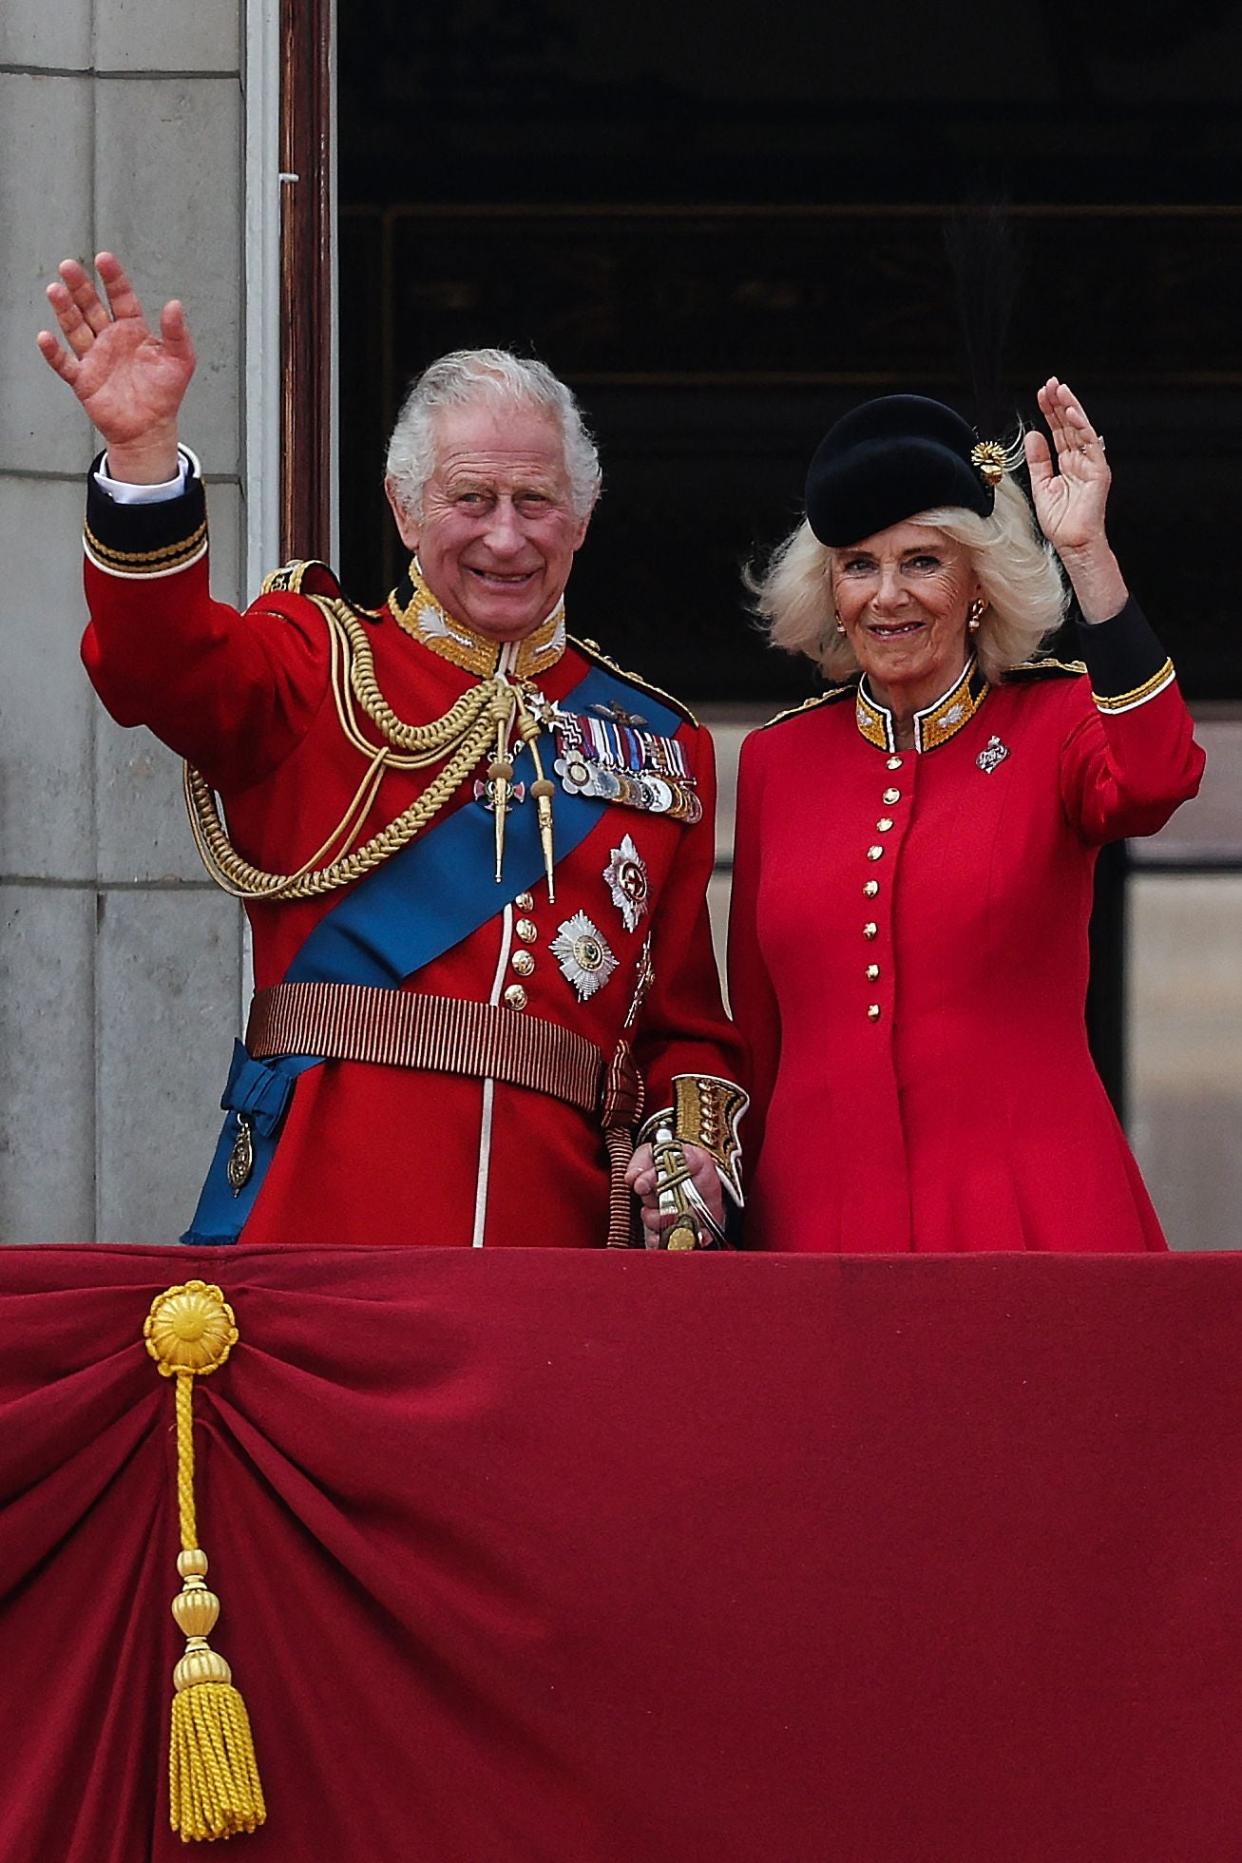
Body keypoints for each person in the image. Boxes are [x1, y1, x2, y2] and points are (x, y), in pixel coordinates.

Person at [38, 252, 747, 1249]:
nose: (506, 537)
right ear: (404, 507)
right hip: (329, 1225)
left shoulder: (660, 744)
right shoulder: (316, 664)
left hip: (559, 1247)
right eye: (471, 500)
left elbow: (684, 1032)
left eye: (535, 502)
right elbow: (158, 666)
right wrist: (145, 458)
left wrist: (688, 1154)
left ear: (582, 518)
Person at [728, 381, 1204, 1253]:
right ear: (829, 589)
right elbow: (757, 1038)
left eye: (923, 561)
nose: (887, 596)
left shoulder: (1053, 723)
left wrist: (1087, 551)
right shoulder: (776, 764)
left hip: (1032, 1216)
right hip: (819, 1225)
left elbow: (1159, 776)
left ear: (979, 582)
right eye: (859, 565)